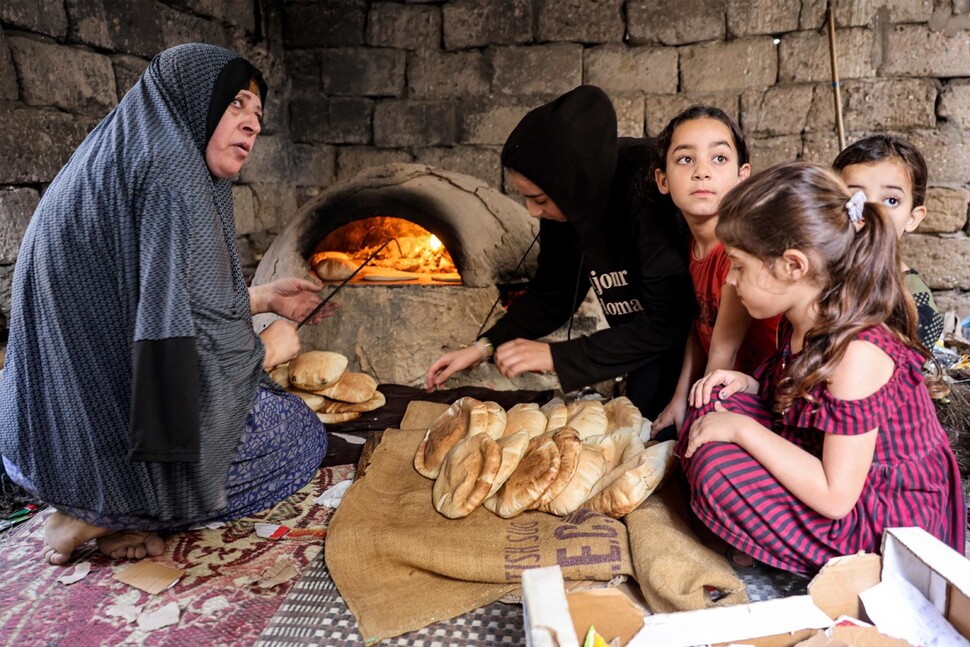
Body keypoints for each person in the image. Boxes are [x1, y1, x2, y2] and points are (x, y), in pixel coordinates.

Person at [0, 43, 335, 565]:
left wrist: (264, 297)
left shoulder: (128, 148)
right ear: (193, 99)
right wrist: (266, 349)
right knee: (295, 436)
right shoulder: (171, 174)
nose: (251, 125)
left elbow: (149, 300)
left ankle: (110, 513)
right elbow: (177, 356)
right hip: (95, 435)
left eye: (258, 115)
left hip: (41, 436)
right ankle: (93, 514)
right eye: (236, 104)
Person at [680, 161, 964, 575]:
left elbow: (836, 495)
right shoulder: (801, 319)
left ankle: (836, 562)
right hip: (834, 467)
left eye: (739, 266)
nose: (733, 281)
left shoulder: (857, 352)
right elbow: (804, 402)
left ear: (793, 266)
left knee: (716, 467)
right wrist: (748, 386)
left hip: (883, 514)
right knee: (714, 405)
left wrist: (742, 429)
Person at [424, 85, 694, 419]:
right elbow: (554, 293)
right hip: (643, 341)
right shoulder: (568, 201)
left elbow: (669, 322)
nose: (533, 212)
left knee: (660, 428)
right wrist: (484, 346)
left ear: (575, 186)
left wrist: (556, 357)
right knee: (639, 414)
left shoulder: (644, 189)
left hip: (694, 344)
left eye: (539, 200)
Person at [652, 106, 780, 435]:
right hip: (725, 384)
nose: (702, 172)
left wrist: (698, 419)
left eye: (719, 159)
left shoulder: (739, 248)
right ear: (662, 179)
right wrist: (680, 398)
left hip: (768, 393)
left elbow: (725, 348)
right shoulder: (687, 248)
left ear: (743, 175)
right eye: (685, 159)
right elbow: (699, 327)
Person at [832, 135, 945, 351]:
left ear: (913, 218)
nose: (873, 209)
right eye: (856, 196)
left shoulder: (915, 302)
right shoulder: (820, 275)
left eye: (891, 200)